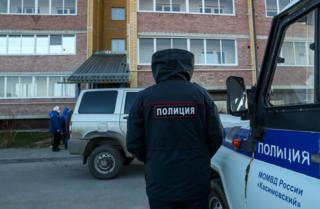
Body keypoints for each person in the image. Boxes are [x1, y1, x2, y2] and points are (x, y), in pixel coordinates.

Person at [126, 49, 224, 209]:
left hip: (160, 181)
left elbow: (134, 143)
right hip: (195, 181)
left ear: (156, 68)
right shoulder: (200, 95)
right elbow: (216, 136)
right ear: (188, 67)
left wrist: (154, 158)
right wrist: (200, 156)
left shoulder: (144, 98)